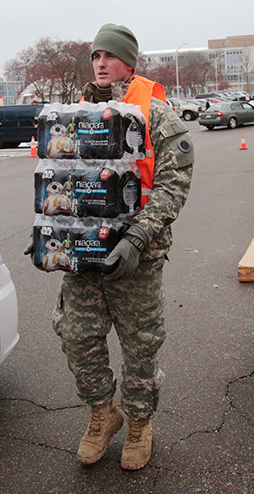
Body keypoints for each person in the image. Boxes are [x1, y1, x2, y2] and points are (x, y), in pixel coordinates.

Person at [53, 23, 194, 471]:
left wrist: (138, 235)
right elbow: (60, 178)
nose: (100, 62)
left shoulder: (154, 111)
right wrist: (51, 231)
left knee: (139, 345)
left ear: (128, 62)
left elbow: (175, 182)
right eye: (95, 55)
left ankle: (138, 424)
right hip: (84, 252)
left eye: (109, 56)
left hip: (137, 253)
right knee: (78, 337)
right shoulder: (77, 113)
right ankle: (102, 415)